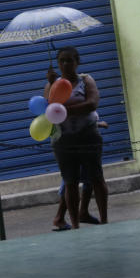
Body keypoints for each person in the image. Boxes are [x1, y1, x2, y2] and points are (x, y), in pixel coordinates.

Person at [45, 46, 108, 229]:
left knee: (96, 177)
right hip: (63, 140)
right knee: (70, 181)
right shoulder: (52, 84)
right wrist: (51, 86)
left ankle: (104, 220)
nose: (65, 64)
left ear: (77, 62)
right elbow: (47, 111)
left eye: (69, 60)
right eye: (61, 61)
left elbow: (92, 103)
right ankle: (74, 225)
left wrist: (65, 111)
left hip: (88, 136)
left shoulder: (85, 80)